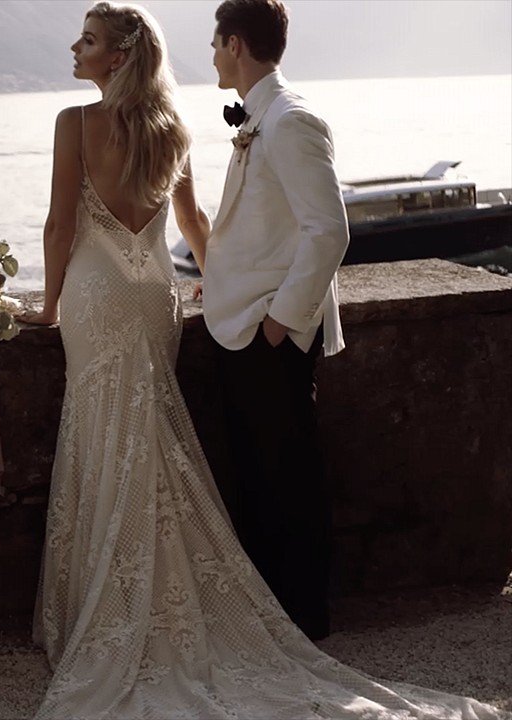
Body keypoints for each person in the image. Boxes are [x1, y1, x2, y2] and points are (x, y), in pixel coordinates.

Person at [18, 2, 502, 717]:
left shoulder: (78, 124)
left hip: (106, 301)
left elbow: (61, 224)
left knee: (112, 435)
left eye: (87, 39)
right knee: (158, 437)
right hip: (159, 301)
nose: (74, 47)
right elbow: (194, 224)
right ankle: (208, 594)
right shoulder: (172, 128)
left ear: (117, 57)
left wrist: (50, 306)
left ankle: (122, 598)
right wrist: (221, 286)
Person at [202, 0, 346, 644]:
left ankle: (306, 615)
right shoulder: (260, 116)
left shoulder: (290, 121)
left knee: (289, 472)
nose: (210, 55)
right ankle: (277, 613)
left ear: (235, 44)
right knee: (259, 473)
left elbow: (329, 231)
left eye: (214, 43)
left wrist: (280, 324)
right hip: (243, 324)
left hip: (270, 332)